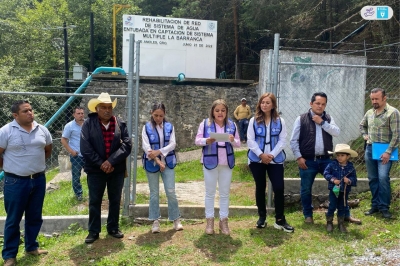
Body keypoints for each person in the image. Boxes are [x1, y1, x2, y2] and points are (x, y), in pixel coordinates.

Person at [290, 92, 360, 224]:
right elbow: (293, 141)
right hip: (308, 160)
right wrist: (299, 157)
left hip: (327, 160)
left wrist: (322, 123)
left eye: (323, 104)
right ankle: (308, 215)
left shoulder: (328, 118)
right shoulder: (301, 119)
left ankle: (344, 214)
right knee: (305, 189)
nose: (320, 106)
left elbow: (336, 132)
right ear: (311, 104)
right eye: (317, 103)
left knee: (340, 186)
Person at [0, 100, 52, 266]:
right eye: (25, 111)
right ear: (16, 115)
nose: (30, 113)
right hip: (15, 181)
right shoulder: (6, 131)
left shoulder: (42, 129)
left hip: (38, 180)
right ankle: (9, 255)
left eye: (31, 110)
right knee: (13, 219)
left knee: (35, 216)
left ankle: (31, 247)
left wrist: (34, 166)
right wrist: (12, 167)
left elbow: (48, 150)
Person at [81, 93, 132, 244]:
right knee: (95, 200)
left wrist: (110, 161)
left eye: (109, 107)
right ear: (96, 108)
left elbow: (127, 145)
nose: (107, 110)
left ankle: (113, 228)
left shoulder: (120, 123)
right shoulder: (88, 123)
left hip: (116, 169)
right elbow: (85, 148)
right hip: (96, 170)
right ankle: (93, 231)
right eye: (103, 107)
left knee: (115, 199)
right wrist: (101, 164)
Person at [247, 92, 294, 233]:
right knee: (260, 187)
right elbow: (250, 140)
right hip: (257, 159)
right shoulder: (253, 120)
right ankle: (262, 217)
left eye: (268, 102)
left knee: (279, 188)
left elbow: (282, 140)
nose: (264, 105)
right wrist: (261, 155)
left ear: (273, 105)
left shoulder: (280, 121)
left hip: (275, 160)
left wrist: (271, 155)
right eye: (262, 102)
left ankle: (280, 219)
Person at [195, 99, 241, 235]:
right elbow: (197, 140)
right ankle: (210, 221)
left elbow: (239, 143)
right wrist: (206, 141)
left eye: (223, 110)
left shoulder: (232, 125)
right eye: (217, 110)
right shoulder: (205, 124)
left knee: (224, 193)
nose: (220, 113)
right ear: (212, 112)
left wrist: (233, 140)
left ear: (226, 112)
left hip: (226, 163)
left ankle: (223, 221)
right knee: (210, 193)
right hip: (210, 162)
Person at [142, 102, 183, 233]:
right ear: (151, 113)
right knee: (154, 193)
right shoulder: (146, 128)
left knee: (171, 191)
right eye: (155, 115)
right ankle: (155, 221)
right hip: (152, 163)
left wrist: (159, 152)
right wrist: (158, 161)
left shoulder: (170, 127)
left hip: (168, 162)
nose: (158, 118)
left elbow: (173, 144)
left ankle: (176, 219)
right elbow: (146, 147)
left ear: (164, 114)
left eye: (160, 115)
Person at [360, 88, 400, 219]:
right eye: (372, 99)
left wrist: (388, 152)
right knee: (373, 178)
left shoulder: (392, 113)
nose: (374, 101)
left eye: (377, 99)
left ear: (384, 98)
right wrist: (365, 135)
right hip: (370, 149)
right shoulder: (369, 112)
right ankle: (375, 205)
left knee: (383, 178)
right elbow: (362, 125)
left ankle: (384, 207)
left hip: (386, 150)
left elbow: (397, 135)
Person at [324, 144, 358, 233]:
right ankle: (329, 222)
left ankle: (341, 223)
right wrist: (333, 179)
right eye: (338, 155)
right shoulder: (332, 164)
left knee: (342, 206)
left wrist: (349, 180)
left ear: (348, 156)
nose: (339, 157)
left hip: (344, 191)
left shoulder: (350, 167)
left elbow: (354, 179)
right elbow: (326, 173)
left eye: (342, 155)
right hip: (334, 190)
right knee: (332, 205)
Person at [61, 106, 85, 201]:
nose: (80, 115)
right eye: (78, 113)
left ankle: (93, 193)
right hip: (77, 156)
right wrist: (71, 151)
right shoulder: (69, 126)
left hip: (88, 155)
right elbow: (63, 140)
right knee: (76, 176)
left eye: (82, 113)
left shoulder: (88, 123)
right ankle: (79, 195)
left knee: (93, 176)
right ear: (74, 115)